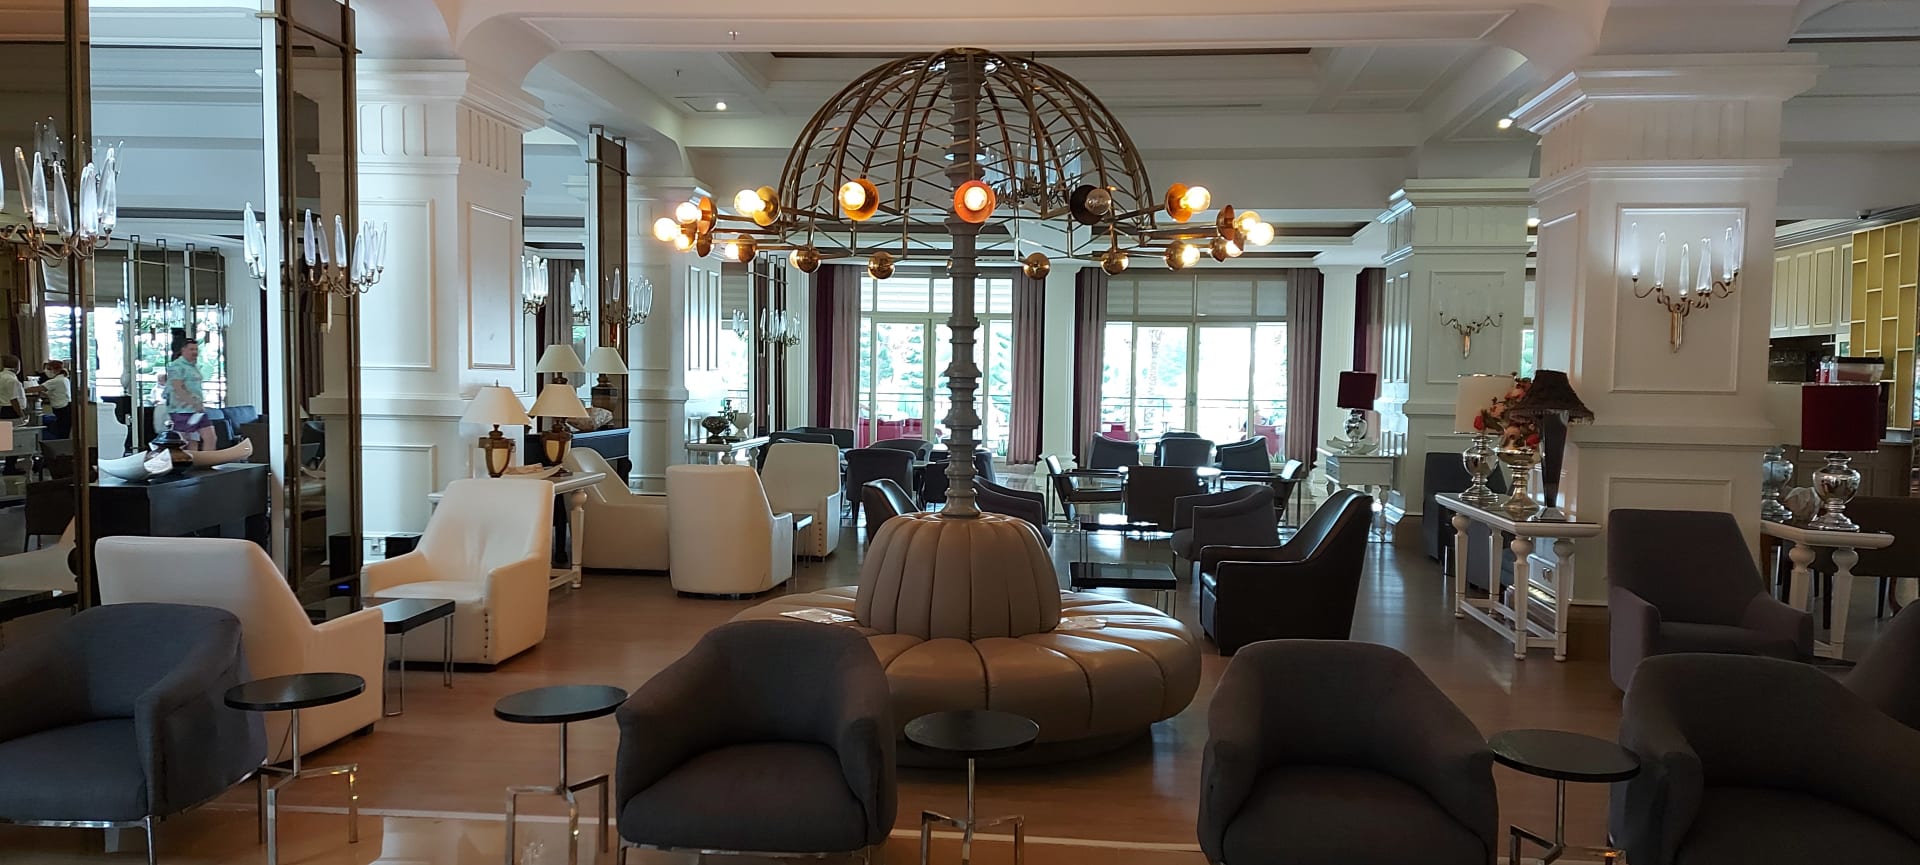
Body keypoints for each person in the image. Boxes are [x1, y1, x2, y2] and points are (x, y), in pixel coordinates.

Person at [165, 337, 215, 451]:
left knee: (210, 437)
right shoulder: (176, 366)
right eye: (191, 349)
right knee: (185, 442)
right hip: (181, 411)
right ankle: (173, 459)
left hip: (197, 411)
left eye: (196, 349)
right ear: (183, 350)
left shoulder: (194, 366)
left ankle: (206, 460)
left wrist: (199, 405)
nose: (195, 352)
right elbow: (178, 389)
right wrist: (194, 403)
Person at [33, 360, 71, 439]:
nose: (46, 371)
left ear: (56, 370)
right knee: (63, 432)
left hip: (62, 410)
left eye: (49, 369)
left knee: (60, 433)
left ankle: (60, 445)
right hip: (65, 408)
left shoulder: (56, 381)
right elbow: (55, 394)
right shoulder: (64, 379)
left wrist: (21, 389)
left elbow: (38, 388)